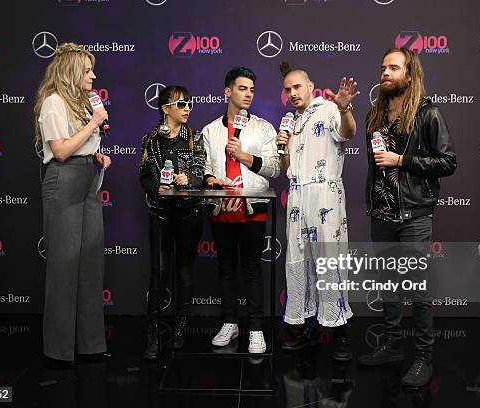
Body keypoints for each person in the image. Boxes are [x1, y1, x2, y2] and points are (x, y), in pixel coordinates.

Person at [357, 47, 456, 387]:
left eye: (393, 68)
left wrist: (402, 161)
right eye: (383, 67)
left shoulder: (427, 114)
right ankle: (391, 346)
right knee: (389, 284)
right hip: (382, 214)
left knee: (417, 288)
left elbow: (448, 162)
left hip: (414, 214)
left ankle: (424, 358)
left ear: (409, 75)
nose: (385, 72)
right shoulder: (376, 114)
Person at [275, 62, 359, 361]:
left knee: (329, 260)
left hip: (324, 194)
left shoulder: (328, 108)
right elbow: (285, 169)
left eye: (297, 86)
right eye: (288, 89)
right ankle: (302, 324)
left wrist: (346, 109)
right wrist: (282, 146)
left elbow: (348, 133)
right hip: (297, 197)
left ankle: (340, 332)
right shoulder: (291, 122)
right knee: (299, 260)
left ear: (311, 86)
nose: (293, 93)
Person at [34, 43, 111, 363]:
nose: (93, 76)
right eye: (88, 70)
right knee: (64, 266)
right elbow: (61, 150)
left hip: (86, 179)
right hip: (62, 180)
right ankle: (58, 350)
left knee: (91, 263)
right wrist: (94, 124)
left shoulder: (81, 104)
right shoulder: (53, 102)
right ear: (71, 72)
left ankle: (90, 344)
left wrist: (96, 153)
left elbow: (77, 144)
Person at [202, 67, 280, 354]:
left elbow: (273, 168)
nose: (248, 94)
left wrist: (244, 156)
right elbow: (206, 168)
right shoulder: (210, 130)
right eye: (242, 88)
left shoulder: (263, 128)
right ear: (227, 91)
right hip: (222, 208)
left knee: (251, 268)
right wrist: (209, 179)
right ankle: (230, 322)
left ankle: (256, 328)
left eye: (251, 90)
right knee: (225, 268)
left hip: (252, 208)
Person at [139, 86, 205, 360]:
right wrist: (159, 190)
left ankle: (180, 327)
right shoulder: (151, 139)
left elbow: (201, 171)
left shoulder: (195, 137)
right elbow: (143, 175)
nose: (187, 108)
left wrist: (188, 179)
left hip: (189, 213)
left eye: (189, 103)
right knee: (159, 271)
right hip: (161, 214)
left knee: (185, 272)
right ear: (166, 108)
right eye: (181, 104)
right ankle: (153, 332)